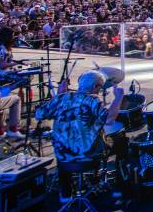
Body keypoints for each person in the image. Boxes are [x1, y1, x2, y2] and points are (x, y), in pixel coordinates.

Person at [36, 70, 124, 198]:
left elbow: (39, 114)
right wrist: (118, 98)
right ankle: (120, 186)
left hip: (63, 158)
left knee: (64, 144)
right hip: (87, 156)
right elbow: (110, 120)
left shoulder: (62, 97)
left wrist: (58, 96)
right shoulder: (93, 100)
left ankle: (65, 194)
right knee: (121, 140)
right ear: (95, 87)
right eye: (100, 87)